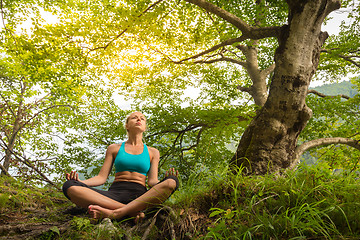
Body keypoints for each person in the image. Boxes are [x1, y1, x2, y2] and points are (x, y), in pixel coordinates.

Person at [62, 111, 179, 220]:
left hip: (140, 195)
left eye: (142, 119)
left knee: (171, 182)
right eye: (134, 118)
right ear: (127, 126)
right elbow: (101, 178)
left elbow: (152, 181)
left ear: (144, 127)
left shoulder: (153, 152)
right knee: (70, 186)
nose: (139, 119)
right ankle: (132, 211)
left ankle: (115, 213)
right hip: (114, 194)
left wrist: (164, 181)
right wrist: (80, 182)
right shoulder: (114, 148)